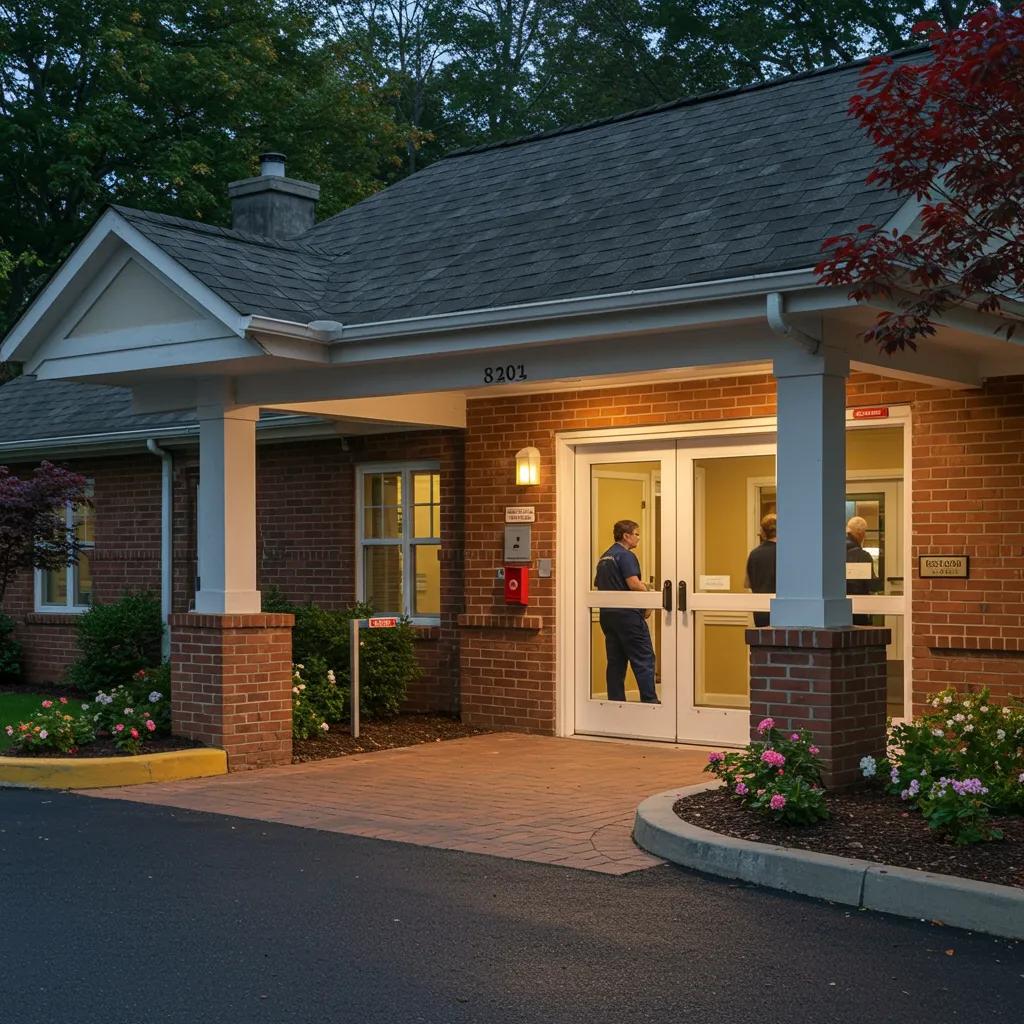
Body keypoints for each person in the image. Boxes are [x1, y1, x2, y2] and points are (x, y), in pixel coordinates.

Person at [594, 520, 659, 704]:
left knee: (616, 663)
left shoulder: (605, 557)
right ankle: (650, 703)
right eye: (636, 534)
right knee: (643, 659)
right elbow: (633, 584)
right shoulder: (626, 556)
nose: (638, 537)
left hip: (609, 617)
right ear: (626, 536)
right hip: (628, 618)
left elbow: (600, 584)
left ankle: (616, 704)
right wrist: (649, 594)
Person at [846, 515, 882, 625]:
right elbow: (871, 585)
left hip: (839, 608)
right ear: (861, 534)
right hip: (858, 609)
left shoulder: (834, 553)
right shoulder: (863, 556)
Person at [744, 513, 777, 627]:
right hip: (780, 611)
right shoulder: (785, 553)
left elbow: (747, 583)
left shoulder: (754, 554)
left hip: (760, 612)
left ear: (763, 533)